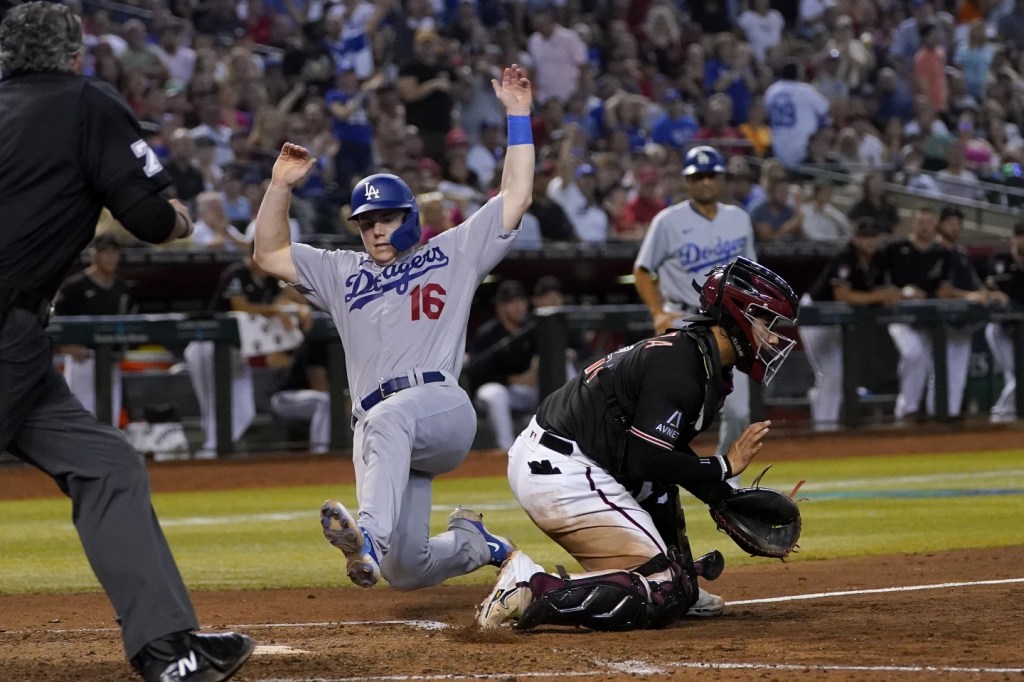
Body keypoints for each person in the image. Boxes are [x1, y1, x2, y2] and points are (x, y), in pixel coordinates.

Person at [0, 4, 253, 681]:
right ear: (76, 54)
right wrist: (175, 218)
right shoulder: (85, 101)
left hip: (18, 340)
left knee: (106, 465)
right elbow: (147, 215)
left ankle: (168, 647)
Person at [252, 64, 534, 590]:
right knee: (407, 570)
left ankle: (366, 539)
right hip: (379, 432)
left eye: (385, 217)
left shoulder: (452, 251)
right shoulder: (342, 271)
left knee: (387, 429)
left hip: (439, 408)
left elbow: (515, 197)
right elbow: (268, 253)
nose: (375, 228)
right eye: (365, 222)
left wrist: (518, 116)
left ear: (410, 216)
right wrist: (279, 186)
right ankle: (478, 543)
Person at [475, 258, 799, 631]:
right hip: (561, 469)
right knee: (661, 590)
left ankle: (682, 585)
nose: (773, 339)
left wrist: (719, 494)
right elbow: (647, 458)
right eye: (767, 324)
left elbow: (663, 452)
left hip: (574, 461)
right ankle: (530, 586)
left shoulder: (702, 363)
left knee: (661, 502)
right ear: (737, 318)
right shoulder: (680, 367)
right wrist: (722, 467)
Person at [634, 146, 757, 487]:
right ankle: (665, 474)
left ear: (721, 179)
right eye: (697, 177)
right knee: (679, 407)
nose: (704, 182)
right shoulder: (668, 221)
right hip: (685, 322)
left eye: (711, 176)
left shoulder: (739, 218)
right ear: (687, 181)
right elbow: (642, 271)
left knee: (739, 411)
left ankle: (724, 478)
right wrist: (657, 311)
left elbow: (750, 273)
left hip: (730, 324)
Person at [184, 243, 298, 459]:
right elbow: (239, 306)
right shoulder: (237, 273)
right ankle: (210, 456)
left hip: (236, 351)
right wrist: (275, 310)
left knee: (246, 411)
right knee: (213, 407)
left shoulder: (270, 280)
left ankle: (213, 452)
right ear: (254, 256)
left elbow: (289, 296)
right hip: (208, 346)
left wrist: (298, 309)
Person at [799, 219, 901, 431]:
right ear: (854, 238)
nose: (869, 241)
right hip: (816, 315)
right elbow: (842, 295)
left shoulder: (880, 260)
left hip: (839, 321)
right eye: (864, 236)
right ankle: (824, 426)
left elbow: (888, 294)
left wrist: (883, 295)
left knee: (835, 373)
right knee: (830, 372)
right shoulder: (845, 258)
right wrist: (879, 295)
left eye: (873, 236)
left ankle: (825, 424)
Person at [934, 207, 1008, 419]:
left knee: (956, 377)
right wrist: (968, 296)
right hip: (937, 323)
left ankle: (950, 419)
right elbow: (942, 290)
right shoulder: (935, 251)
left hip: (960, 323)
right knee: (936, 376)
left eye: (958, 223)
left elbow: (976, 286)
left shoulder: (961, 253)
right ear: (940, 224)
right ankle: (933, 423)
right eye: (949, 222)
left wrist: (989, 293)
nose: (954, 226)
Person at [53, 234, 134, 425]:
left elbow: (127, 321)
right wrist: (66, 347)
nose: (111, 257)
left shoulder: (121, 287)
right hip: (83, 360)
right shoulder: (74, 286)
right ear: (94, 255)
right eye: (105, 252)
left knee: (110, 419)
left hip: (110, 360)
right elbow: (52, 322)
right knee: (82, 417)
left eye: (114, 252)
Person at [883, 206, 954, 421]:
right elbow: (883, 282)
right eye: (920, 222)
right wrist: (902, 292)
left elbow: (944, 290)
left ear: (935, 225)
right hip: (899, 315)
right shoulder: (896, 249)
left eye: (929, 222)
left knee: (921, 361)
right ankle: (909, 409)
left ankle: (906, 410)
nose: (924, 226)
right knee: (914, 354)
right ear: (913, 224)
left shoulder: (942, 252)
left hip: (927, 318)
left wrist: (925, 294)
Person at [466, 280, 539, 451]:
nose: (518, 306)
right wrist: (511, 379)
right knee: (495, 393)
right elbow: (477, 374)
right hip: (498, 391)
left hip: (527, 389)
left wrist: (538, 367)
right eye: (512, 302)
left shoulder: (532, 328)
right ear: (500, 307)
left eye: (521, 301)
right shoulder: (488, 334)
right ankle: (505, 449)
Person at [984, 222, 1024, 422]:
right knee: (1019, 374)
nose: (1022, 239)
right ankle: (1001, 411)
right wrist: (994, 294)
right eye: (1019, 235)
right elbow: (989, 290)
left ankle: (1005, 413)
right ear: (1012, 237)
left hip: (1022, 329)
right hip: (1002, 329)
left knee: (1016, 376)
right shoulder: (1000, 259)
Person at [270, 336, 332, 454]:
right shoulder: (315, 342)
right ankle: (319, 453)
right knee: (324, 401)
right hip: (284, 399)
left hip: (308, 400)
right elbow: (319, 386)